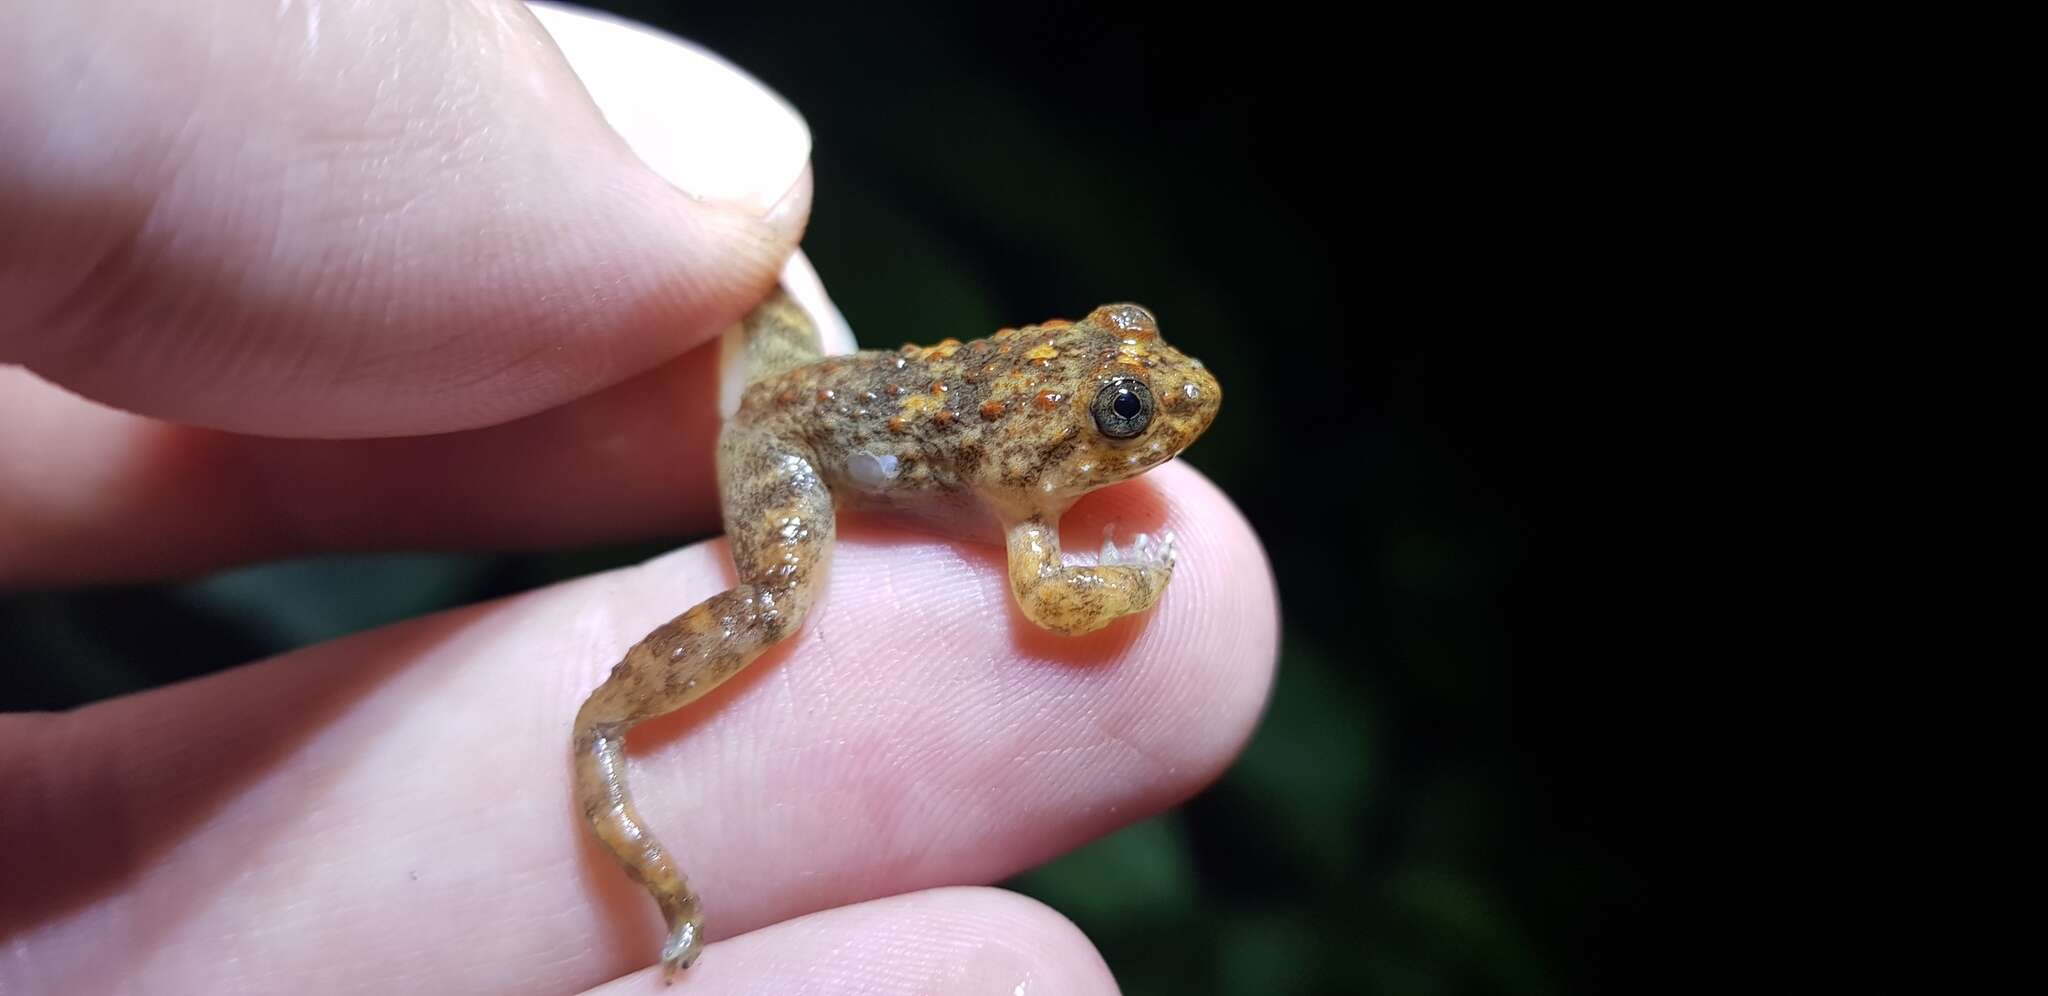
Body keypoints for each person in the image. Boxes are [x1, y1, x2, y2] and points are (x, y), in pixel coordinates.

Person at [0, 3, 1278, 992]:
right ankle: (607, 727)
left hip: (831, 388)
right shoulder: (1031, 512)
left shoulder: (1028, 465)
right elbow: (1050, 600)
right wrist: (1139, 578)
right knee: (784, 603)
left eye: (1131, 397)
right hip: (790, 440)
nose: (1159, 407)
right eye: (1125, 404)